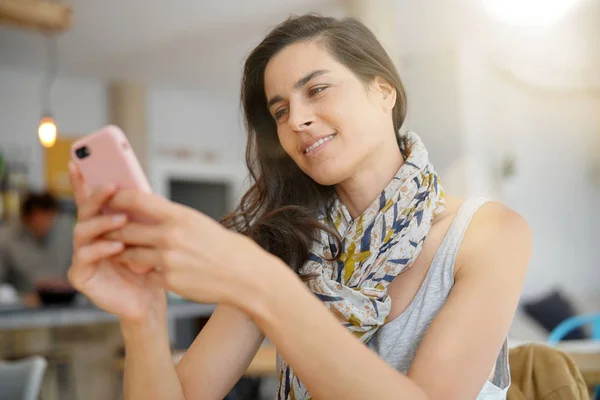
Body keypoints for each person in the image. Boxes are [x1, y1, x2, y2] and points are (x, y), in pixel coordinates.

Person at [67, 14, 532, 400]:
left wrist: (266, 286)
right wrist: (142, 314)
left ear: (383, 91)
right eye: (280, 111)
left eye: (317, 90)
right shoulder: (284, 247)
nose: (298, 120)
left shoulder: (489, 233)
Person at [0, 191, 70, 305]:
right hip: (21, 308)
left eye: (50, 218)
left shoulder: (66, 232)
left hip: (65, 305)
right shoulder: (5, 239)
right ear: (26, 217)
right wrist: (20, 299)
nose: (45, 224)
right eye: (40, 219)